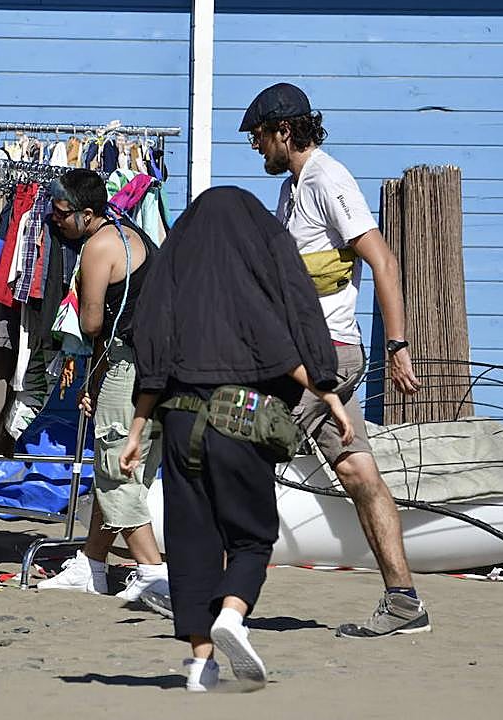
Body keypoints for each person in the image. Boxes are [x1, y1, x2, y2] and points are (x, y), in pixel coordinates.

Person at [119, 186, 353, 692]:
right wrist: (325, 388)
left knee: (190, 543)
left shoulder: (173, 264)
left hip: (179, 421)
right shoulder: (262, 261)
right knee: (250, 537)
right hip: (241, 416)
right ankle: (233, 612)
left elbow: (151, 349)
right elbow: (284, 329)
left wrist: (137, 430)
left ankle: (201, 664)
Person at [240, 82, 430, 638]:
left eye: (258, 136)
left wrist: (397, 346)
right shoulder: (293, 190)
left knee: (240, 451)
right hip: (309, 357)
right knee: (358, 472)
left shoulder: (328, 179)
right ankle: (404, 602)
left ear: (284, 131)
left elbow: (383, 262)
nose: (255, 147)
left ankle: (203, 590)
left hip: (325, 359)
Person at [36, 169, 169, 604]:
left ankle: (152, 572)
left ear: (85, 213)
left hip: (125, 368)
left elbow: (93, 324)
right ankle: (92, 564)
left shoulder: (97, 247)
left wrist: (88, 369)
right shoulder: (135, 236)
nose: (54, 220)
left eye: (60, 213)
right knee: (121, 473)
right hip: (158, 371)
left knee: (115, 471)